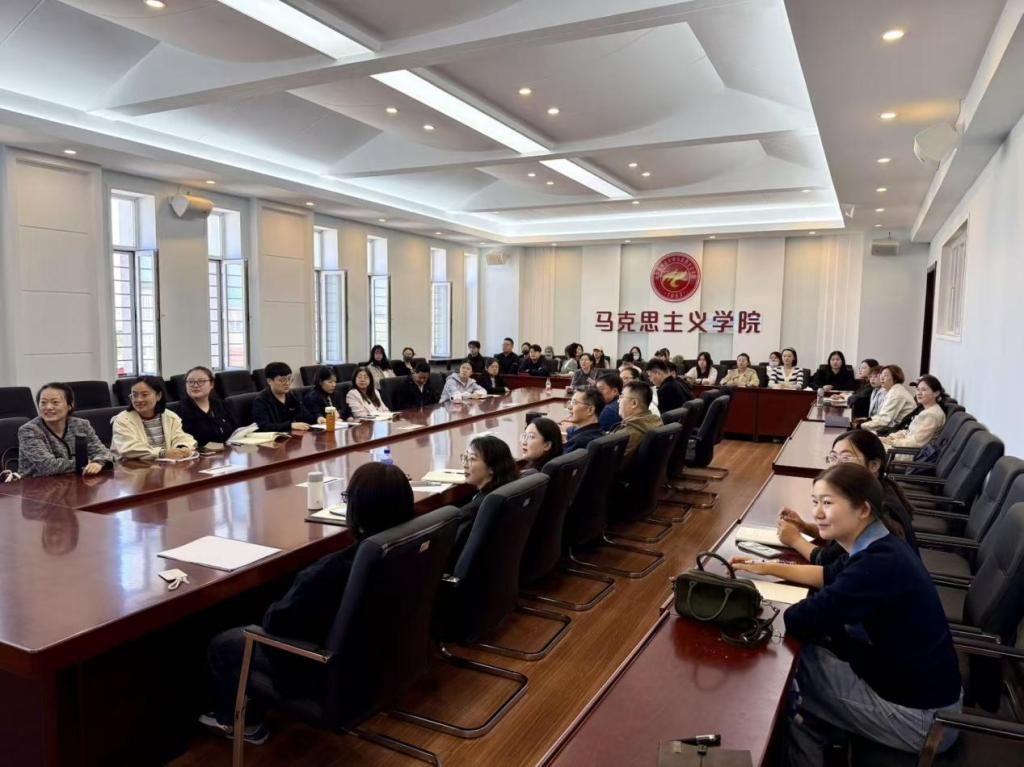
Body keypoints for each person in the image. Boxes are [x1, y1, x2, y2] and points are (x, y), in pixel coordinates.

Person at [735, 464, 962, 765]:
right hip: (919, 694)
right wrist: (763, 567)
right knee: (805, 663)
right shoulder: (881, 544)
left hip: (921, 721)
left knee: (787, 674)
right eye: (815, 502)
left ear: (863, 509)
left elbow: (799, 619)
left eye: (827, 503)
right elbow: (828, 574)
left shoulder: (876, 567)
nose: (817, 513)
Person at [200, 463, 416, 743]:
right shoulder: (409, 546)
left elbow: (276, 624)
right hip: (382, 659)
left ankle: (241, 723)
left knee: (223, 644)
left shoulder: (330, 571)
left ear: (355, 512)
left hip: (327, 674)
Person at [760, 429, 919, 584]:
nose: (835, 466)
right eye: (833, 457)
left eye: (846, 458)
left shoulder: (879, 510)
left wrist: (794, 540)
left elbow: (828, 560)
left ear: (874, 465)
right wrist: (805, 527)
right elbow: (839, 548)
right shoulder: (877, 490)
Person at [17, 382, 114, 477]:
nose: (48, 407)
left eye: (55, 402)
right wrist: (85, 463)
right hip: (36, 484)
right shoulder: (29, 430)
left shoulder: (81, 425)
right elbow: (47, 466)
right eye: (43, 402)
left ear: (69, 405)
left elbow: (104, 453)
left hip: (75, 481)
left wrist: (98, 462)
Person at [454, 435, 520, 560]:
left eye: (472, 459)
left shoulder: (472, 510)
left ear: (491, 468)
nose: (465, 465)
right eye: (465, 458)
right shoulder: (511, 491)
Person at [111, 376, 197, 460]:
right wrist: (162, 453)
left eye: (144, 395)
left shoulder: (170, 417)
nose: (139, 400)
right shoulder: (122, 420)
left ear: (158, 396)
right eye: (135, 395)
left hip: (164, 465)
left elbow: (180, 437)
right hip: (132, 466)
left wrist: (181, 448)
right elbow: (129, 448)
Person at [881, 375, 947, 451]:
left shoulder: (931, 415)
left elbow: (916, 442)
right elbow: (909, 432)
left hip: (906, 452)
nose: (919, 393)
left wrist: (891, 442)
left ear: (936, 393)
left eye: (923, 390)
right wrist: (890, 438)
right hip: (902, 447)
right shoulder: (927, 410)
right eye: (918, 389)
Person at [177, 366, 237, 447]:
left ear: (211, 384)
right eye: (190, 382)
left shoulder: (221, 405)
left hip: (228, 450)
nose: (195, 385)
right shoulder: (181, 411)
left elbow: (235, 430)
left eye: (201, 381)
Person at [610, 381, 662, 472]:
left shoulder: (628, 433)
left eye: (621, 397)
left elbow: (608, 467)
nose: (618, 401)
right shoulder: (655, 421)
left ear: (634, 403)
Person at [252, 362, 313, 432]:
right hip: (275, 437)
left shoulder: (292, 395)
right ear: (269, 381)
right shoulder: (261, 401)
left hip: (294, 435)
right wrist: (290, 425)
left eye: (289, 379)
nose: (287, 383)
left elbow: (305, 415)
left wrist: (318, 418)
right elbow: (264, 426)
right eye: (282, 380)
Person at [860, 365, 916, 433]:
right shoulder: (892, 390)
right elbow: (883, 415)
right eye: (881, 375)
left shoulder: (896, 393)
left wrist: (860, 425)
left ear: (895, 378)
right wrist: (868, 420)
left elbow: (885, 420)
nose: (882, 378)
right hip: (895, 428)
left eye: (885, 375)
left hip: (901, 430)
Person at [564, 387, 605, 451]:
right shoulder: (599, 432)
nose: (569, 407)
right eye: (571, 402)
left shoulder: (579, 442)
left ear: (590, 410)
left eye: (574, 402)